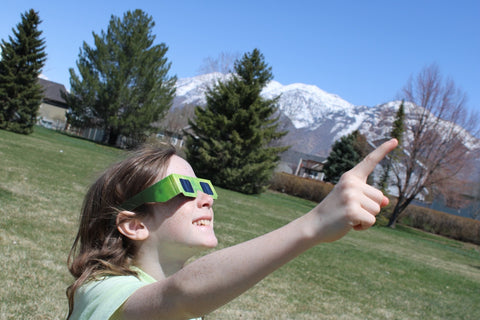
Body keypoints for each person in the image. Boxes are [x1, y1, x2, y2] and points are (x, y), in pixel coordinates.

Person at [66, 138, 398, 320]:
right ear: (134, 224)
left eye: (205, 186)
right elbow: (179, 295)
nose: (206, 199)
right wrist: (313, 224)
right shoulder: (100, 292)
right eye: (184, 187)